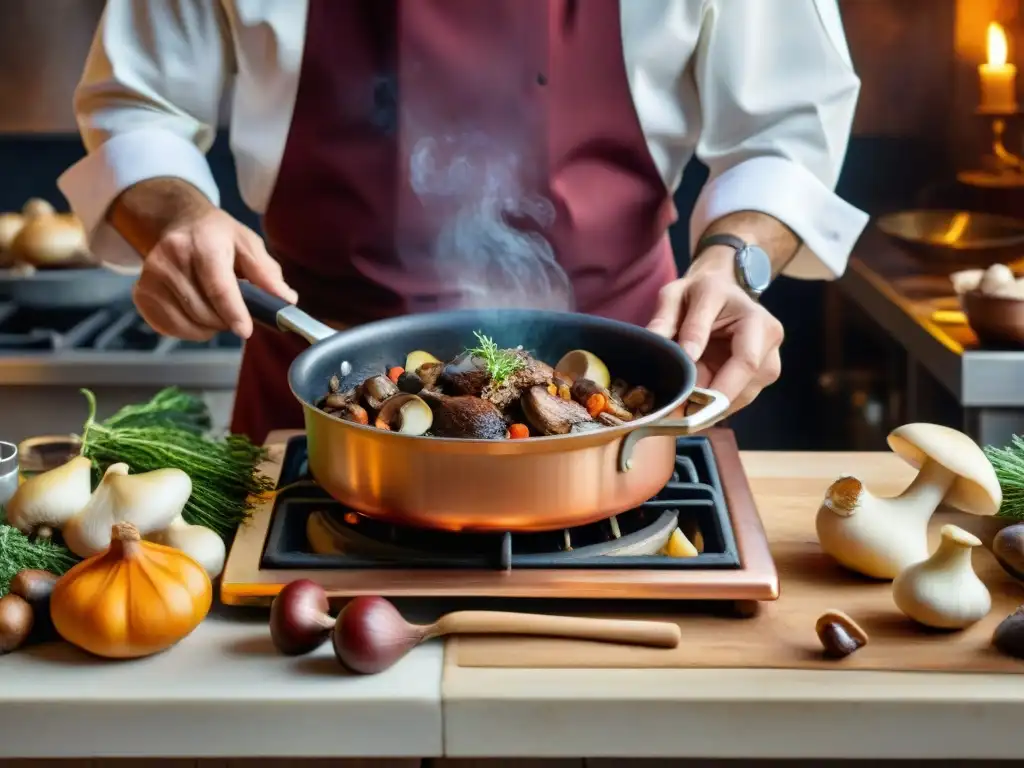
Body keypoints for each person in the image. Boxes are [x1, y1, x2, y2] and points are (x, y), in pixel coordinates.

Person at [59, 0, 869, 444]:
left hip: (619, 406)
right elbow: (140, 108)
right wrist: (180, 217)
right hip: (320, 389)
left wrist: (733, 262)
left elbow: (783, 131)